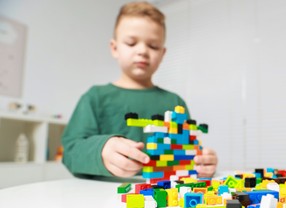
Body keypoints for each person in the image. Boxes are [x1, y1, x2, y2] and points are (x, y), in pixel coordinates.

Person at [62, 1, 218, 181]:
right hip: (103, 197)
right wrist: (101, 150)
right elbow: (71, 151)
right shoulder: (95, 98)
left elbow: (189, 152)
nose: (142, 51)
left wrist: (202, 163)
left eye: (153, 46)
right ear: (114, 48)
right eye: (131, 43)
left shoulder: (175, 103)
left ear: (162, 54)